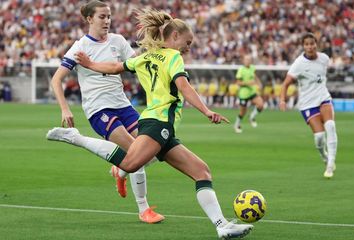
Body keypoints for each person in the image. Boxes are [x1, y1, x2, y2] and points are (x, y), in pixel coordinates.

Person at [47, 8, 253, 239]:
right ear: (174, 37)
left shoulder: (146, 57)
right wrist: (206, 111)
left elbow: (116, 67)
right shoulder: (174, 57)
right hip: (158, 122)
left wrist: (91, 64)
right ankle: (76, 138)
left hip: (156, 123)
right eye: (188, 42)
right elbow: (184, 86)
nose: (189, 47)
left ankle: (221, 225)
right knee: (130, 162)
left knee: (201, 171)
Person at [49, 0, 164, 223]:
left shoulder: (118, 41)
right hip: (98, 108)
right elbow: (57, 79)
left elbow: (136, 67)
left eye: (109, 16)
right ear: (90, 19)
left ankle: (120, 171)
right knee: (137, 154)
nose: (107, 21)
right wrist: (65, 109)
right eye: (102, 17)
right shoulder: (80, 47)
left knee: (154, 149)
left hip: (123, 105)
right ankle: (144, 209)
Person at [279, 32, 338, 178]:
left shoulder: (324, 58)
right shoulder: (299, 64)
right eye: (307, 44)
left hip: (323, 98)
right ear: (303, 46)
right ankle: (324, 156)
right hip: (307, 104)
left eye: (312, 43)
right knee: (319, 137)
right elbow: (286, 84)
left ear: (316, 44)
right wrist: (282, 100)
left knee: (330, 126)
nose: (310, 47)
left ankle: (330, 164)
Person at [233, 55, 264, 133]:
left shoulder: (252, 68)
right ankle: (237, 124)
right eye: (246, 59)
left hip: (252, 92)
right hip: (243, 94)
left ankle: (251, 117)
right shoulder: (241, 70)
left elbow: (255, 76)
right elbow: (238, 82)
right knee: (242, 112)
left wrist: (259, 83)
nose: (248, 61)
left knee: (260, 105)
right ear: (243, 61)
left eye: (249, 60)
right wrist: (248, 83)